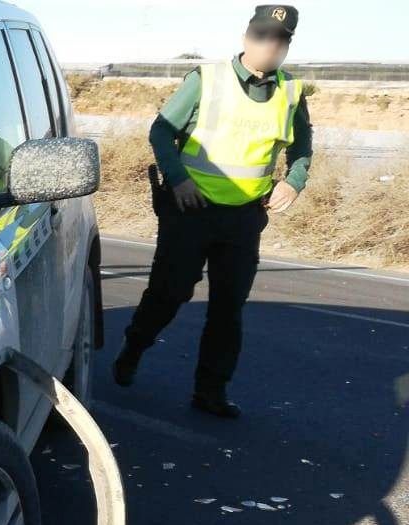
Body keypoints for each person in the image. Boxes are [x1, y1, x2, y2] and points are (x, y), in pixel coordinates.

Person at [112, 5, 312, 419]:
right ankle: (134, 347)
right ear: (246, 38)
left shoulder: (292, 93)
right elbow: (161, 131)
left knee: (228, 307)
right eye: (261, 36)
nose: (269, 45)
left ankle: (211, 391)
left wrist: (294, 180)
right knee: (171, 293)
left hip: (243, 218)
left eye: (279, 39)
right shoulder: (206, 80)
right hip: (190, 211)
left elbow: (302, 147)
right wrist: (178, 179)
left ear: (287, 45)